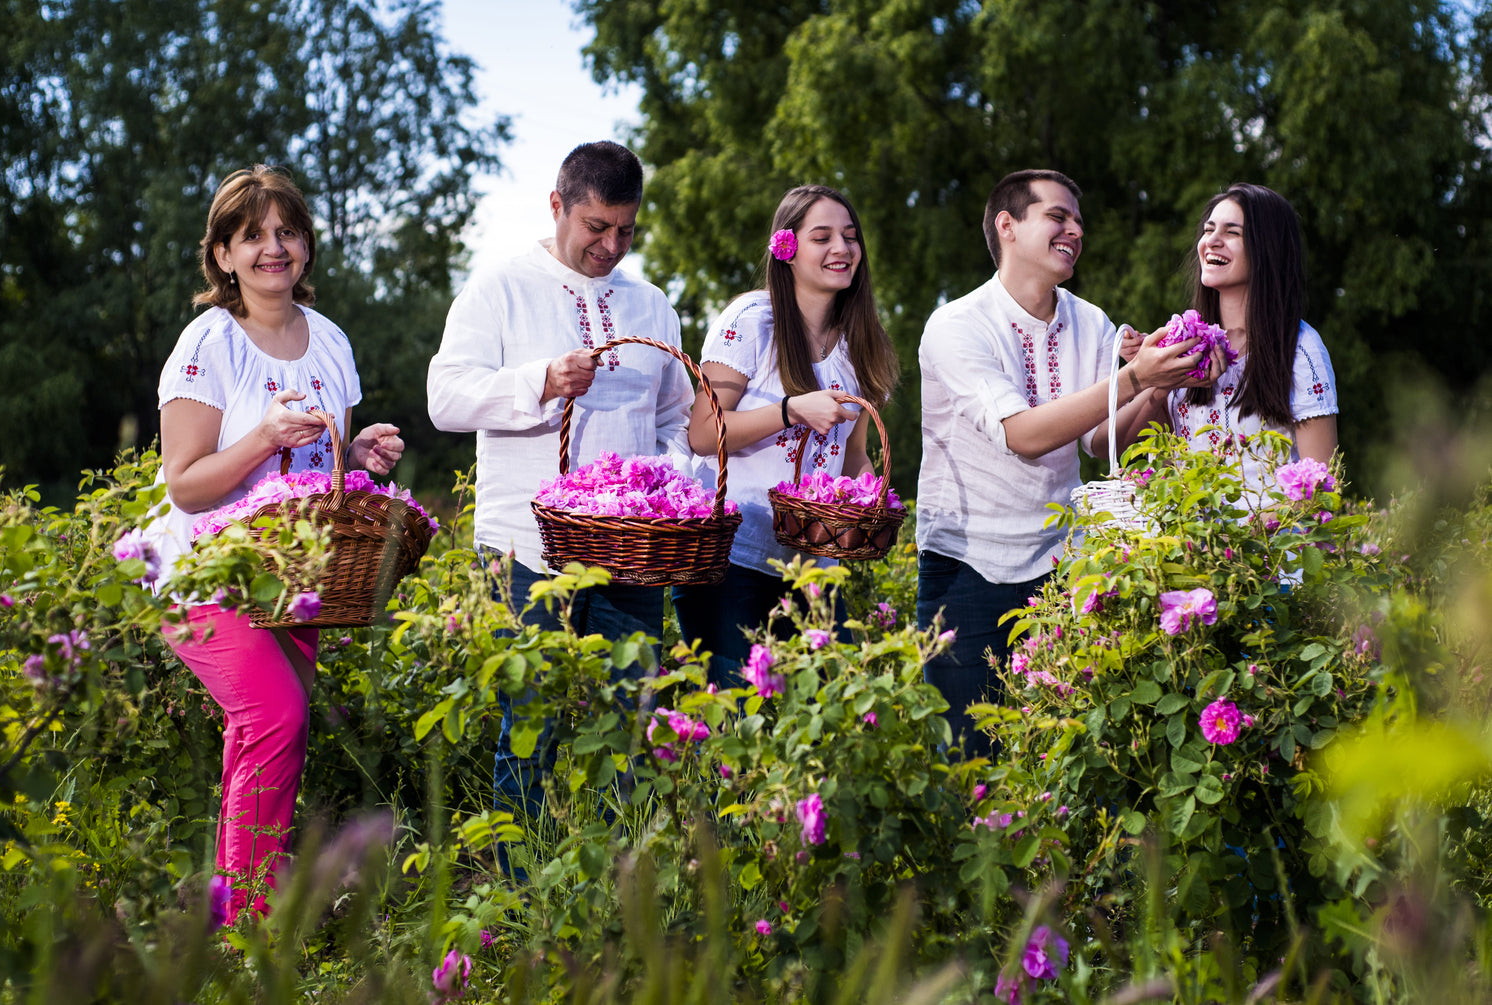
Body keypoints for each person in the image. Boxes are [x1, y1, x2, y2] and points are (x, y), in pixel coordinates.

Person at [146, 165, 404, 924]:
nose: (273, 248)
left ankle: (235, 909)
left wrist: (356, 458)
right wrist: (260, 436)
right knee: (277, 715)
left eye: (287, 230)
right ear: (222, 254)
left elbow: (316, 466)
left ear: (306, 245)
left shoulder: (330, 341)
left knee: (263, 729)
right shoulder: (209, 342)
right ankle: (259, 917)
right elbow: (187, 484)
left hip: (295, 577)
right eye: (252, 234)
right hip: (205, 574)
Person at [426, 141, 691, 821]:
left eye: (626, 230)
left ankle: (619, 884)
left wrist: (666, 496)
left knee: (632, 716)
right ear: (557, 205)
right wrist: (540, 379)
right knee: (532, 718)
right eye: (595, 227)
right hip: (527, 546)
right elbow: (445, 399)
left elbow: (677, 422)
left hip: (632, 549)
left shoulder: (653, 305)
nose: (611, 246)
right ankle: (519, 889)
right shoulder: (502, 286)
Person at [915, 169, 1218, 757]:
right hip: (967, 568)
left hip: (1063, 568)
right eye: (1058, 216)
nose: (1075, 230)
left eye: (1079, 221)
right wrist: (1134, 375)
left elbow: (1101, 442)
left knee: (1062, 761)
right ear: (1007, 225)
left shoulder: (1092, 321)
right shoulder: (955, 325)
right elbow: (1023, 435)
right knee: (967, 765)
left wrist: (1155, 390)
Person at [675, 185, 899, 686]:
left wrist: (872, 496)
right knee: (737, 719)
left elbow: (853, 457)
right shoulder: (753, 320)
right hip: (731, 559)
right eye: (822, 237)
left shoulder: (861, 342)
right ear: (787, 247)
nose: (842, 249)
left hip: (812, 566)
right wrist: (789, 410)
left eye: (850, 236)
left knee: (824, 720)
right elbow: (703, 433)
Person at [1111, 183, 1337, 493]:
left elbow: (1320, 490)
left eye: (1232, 233)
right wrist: (1158, 378)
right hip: (1187, 539)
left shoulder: (1299, 349)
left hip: (1269, 539)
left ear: (1267, 248)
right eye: (1208, 230)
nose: (1211, 242)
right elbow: (1116, 448)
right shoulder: (1185, 345)